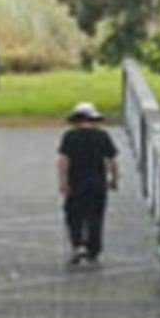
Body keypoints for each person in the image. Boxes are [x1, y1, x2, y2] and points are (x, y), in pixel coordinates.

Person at [57, 101, 119, 265]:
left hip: (76, 183)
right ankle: (93, 249)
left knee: (74, 215)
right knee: (96, 216)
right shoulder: (103, 136)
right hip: (98, 184)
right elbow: (111, 160)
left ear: (76, 119)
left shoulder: (70, 136)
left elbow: (64, 160)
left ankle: (78, 245)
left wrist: (62, 182)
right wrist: (114, 178)